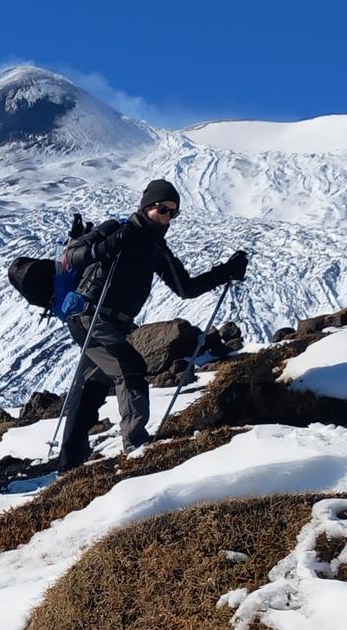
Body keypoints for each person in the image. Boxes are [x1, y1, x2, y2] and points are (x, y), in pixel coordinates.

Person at [55, 180, 247, 470]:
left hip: (116, 325)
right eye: (163, 209)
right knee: (129, 368)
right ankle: (136, 448)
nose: (168, 217)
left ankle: (69, 464)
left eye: (173, 213)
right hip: (89, 316)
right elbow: (72, 256)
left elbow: (186, 288)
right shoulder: (116, 229)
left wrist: (225, 273)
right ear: (147, 206)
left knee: (93, 387)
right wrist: (108, 246)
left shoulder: (157, 249)